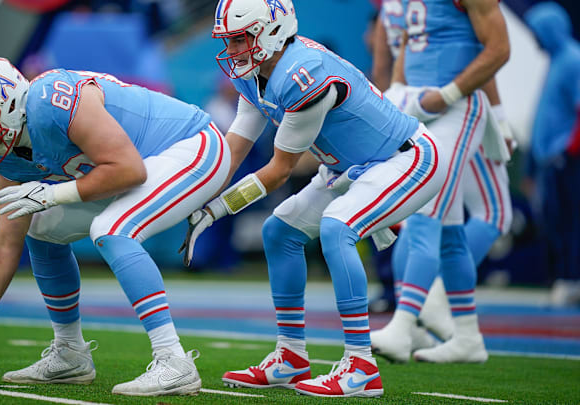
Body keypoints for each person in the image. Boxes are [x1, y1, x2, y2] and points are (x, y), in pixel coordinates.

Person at [179, 0, 448, 398]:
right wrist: (190, 196)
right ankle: (291, 355)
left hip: (406, 159)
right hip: (350, 169)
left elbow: (279, 169)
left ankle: (361, 365)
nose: (233, 50)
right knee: (279, 231)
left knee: (337, 227)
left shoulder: (302, 74)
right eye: (229, 40)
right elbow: (233, 149)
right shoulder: (256, 72)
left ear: (271, 32)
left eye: (240, 39)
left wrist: (216, 209)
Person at [0, 57, 231, 396]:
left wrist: (52, 194)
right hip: (133, 170)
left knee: (111, 228)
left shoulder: (52, 102)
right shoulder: (10, 156)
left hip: (190, 146)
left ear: (10, 104)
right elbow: (5, 242)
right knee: (38, 227)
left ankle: (173, 360)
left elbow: (130, 169)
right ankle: (70, 353)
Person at [369, 0, 515, 355]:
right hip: (420, 102)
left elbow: (497, 49)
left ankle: (404, 324)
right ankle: (467, 337)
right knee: (448, 228)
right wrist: (398, 94)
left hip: (456, 105)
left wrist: (449, 94)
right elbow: (406, 45)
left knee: (425, 211)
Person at [523, 2, 580, 307]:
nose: (535, 39)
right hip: (551, 160)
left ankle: (572, 280)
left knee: (571, 221)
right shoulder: (556, 61)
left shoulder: (572, 59)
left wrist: (568, 151)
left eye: (537, 32)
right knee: (556, 221)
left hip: (566, 160)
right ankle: (564, 277)